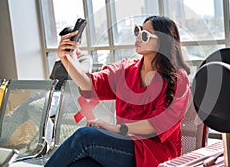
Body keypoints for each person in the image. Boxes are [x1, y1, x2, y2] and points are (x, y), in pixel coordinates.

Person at [45, 15, 191, 167]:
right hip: (122, 146)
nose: (139, 37)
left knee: (84, 136)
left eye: (145, 35)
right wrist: (67, 58)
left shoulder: (178, 79)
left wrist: (114, 129)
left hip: (153, 154)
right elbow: (90, 85)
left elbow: (157, 125)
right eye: (138, 31)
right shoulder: (126, 70)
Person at [49, 27, 93, 118]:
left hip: (70, 95)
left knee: (36, 109)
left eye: (68, 41)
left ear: (78, 41)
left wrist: (71, 56)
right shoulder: (58, 62)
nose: (65, 44)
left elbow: (82, 74)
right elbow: (51, 81)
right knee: (22, 109)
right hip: (54, 93)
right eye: (63, 41)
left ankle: (49, 130)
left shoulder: (85, 59)